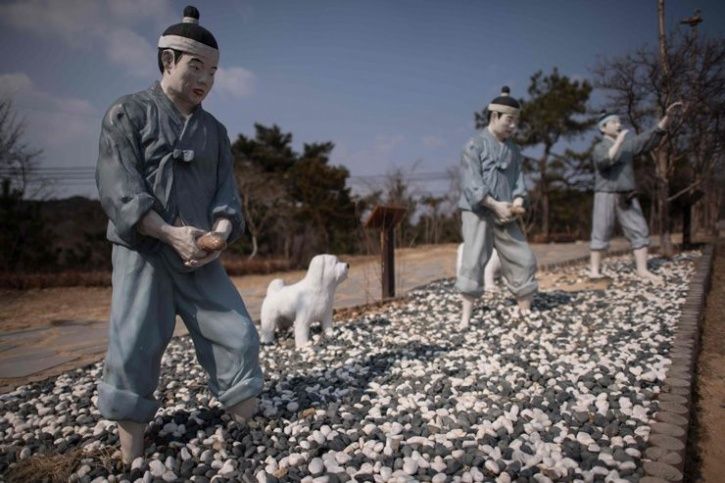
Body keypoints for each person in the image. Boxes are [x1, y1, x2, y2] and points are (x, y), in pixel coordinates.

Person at [95, 5, 263, 463]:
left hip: (201, 257)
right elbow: (119, 187)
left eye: (212, 71)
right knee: (134, 344)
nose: (205, 79)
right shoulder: (126, 114)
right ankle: (131, 452)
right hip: (144, 254)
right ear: (168, 61)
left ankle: (249, 429)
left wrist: (221, 235)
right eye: (196, 66)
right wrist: (168, 233)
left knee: (238, 333)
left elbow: (226, 193)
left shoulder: (214, 130)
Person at [456, 87, 538, 327]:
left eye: (516, 122)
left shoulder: (514, 150)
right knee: (473, 260)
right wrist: (492, 204)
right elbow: (472, 182)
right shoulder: (475, 145)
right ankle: (466, 317)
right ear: (495, 117)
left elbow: (518, 179)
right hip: (479, 211)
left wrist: (519, 199)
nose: (513, 126)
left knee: (523, 257)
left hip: (506, 212)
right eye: (509, 120)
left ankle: (525, 309)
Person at [589, 101, 683, 283]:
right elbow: (605, 161)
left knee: (639, 229)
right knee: (601, 230)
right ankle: (594, 270)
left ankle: (642, 269)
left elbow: (648, 138)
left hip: (626, 194)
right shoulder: (600, 147)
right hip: (605, 193)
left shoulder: (627, 145)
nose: (618, 125)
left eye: (619, 122)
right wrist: (619, 142)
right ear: (603, 127)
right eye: (614, 122)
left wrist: (667, 119)